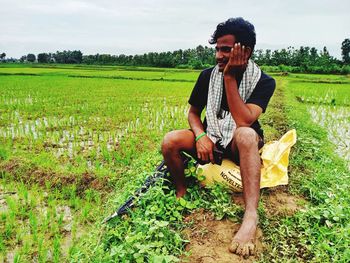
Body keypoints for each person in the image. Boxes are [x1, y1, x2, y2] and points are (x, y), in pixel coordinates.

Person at [161, 17, 275, 257]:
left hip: (237, 142)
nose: (218, 56)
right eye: (217, 49)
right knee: (170, 140)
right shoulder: (207, 76)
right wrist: (201, 135)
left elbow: (245, 120)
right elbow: (193, 113)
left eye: (226, 49)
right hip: (211, 137)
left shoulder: (264, 82)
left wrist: (230, 78)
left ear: (245, 51)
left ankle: (250, 216)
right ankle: (182, 191)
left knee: (245, 134)